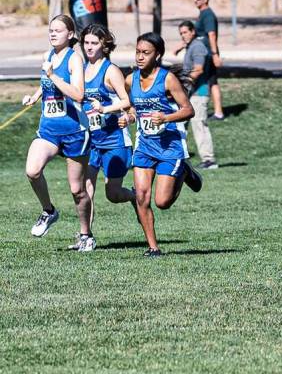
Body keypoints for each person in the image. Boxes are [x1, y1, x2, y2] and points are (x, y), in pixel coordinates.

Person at [120, 33, 200, 256]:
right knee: (141, 197)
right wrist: (129, 117)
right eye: (138, 52)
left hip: (169, 147)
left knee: (162, 202)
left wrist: (165, 118)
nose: (140, 57)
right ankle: (153, 247)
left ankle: (184, 172)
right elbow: (132, 107)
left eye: (146, 53)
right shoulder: (130, 80)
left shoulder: (167, 79)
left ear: (158, 55)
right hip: (145, 146)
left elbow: (188, 110)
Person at [22, 14, 92, 248]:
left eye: (58, 30)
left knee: (77, 190)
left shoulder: (74, 59)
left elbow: (79, 94)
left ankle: (85, 235)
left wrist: (52, 74)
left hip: (74, 131)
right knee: (32, 171)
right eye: (50, 30)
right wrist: (34, 96)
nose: (52, 33)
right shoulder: (48, 55)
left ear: (70, 35)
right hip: (49, 130)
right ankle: (48, 210)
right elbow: (46, 84)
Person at [78, 24, 136, 251]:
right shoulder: (81, 69)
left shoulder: (110, 71)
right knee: (85, 187)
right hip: (92, 141)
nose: (89, 47)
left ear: (104, 45)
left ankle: (132, 196)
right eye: (86, 43)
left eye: (94, 43)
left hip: (114, 140)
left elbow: (126, 102)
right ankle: (86, 236)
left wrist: (105, 108)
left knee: (113, 194)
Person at [177, 0, 225, 121]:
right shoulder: (202, 14)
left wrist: (215, 54)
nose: (195, 0)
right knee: (212, 81)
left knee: (206, 80)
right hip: (205, 52)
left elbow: (212, 34)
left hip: (207, 53)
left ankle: (207, 108)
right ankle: (218, 111)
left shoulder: (208, 14)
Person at [178, 20, 218, 169]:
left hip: (199, 92)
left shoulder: (198, 47)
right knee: (180, 124)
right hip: (190, 93)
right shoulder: (191, 46)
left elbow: (199, 69)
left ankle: (209, 160)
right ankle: (178, 156)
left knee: (199, 124)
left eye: (185, 32)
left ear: (193, 31)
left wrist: (182, 84)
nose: (183, 36)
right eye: (181, 33)